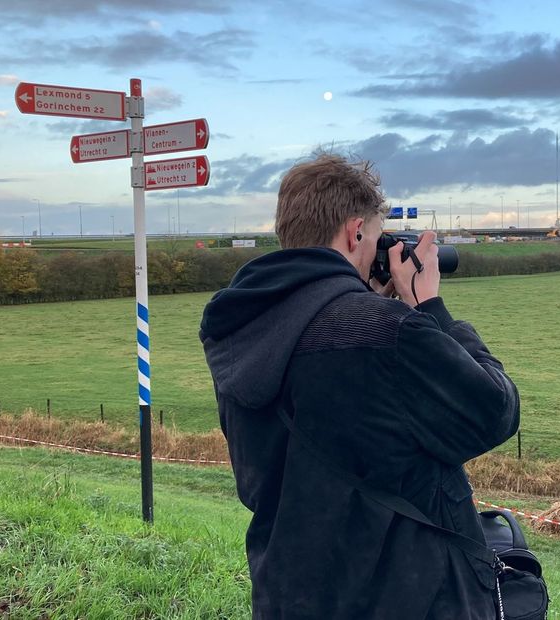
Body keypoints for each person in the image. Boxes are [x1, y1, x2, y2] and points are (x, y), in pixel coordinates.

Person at [200, 153, 520, 619]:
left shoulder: (240, 325)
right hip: (404, 596)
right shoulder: (388, 332)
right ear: (354, 233)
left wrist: (361, 300)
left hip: (289, 593)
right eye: (373, 238)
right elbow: (495, 410)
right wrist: (430, 309)